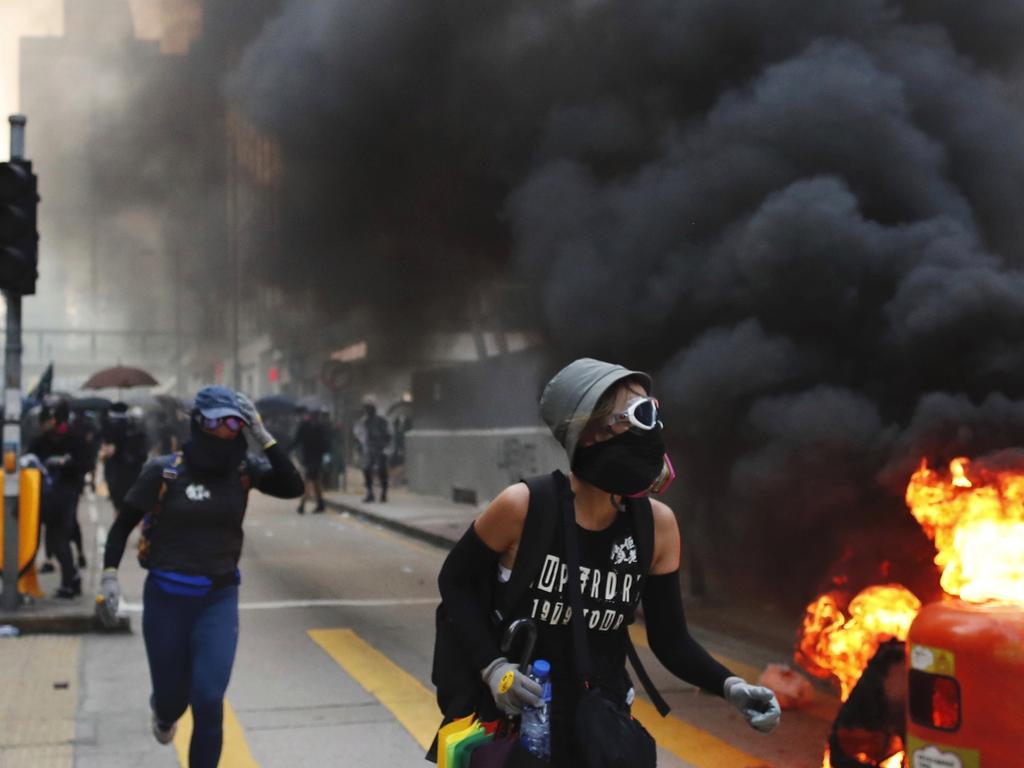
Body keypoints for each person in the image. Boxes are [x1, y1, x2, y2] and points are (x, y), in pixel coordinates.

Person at [434, 359, 781, 765]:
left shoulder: (657, 526)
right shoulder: (524, 507)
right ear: (591, 433)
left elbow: (670, 640)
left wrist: (731, 686)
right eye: (640, 415)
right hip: (520, 728)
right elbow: (455, 582)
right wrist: (493, 670)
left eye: (654, 412)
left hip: (601, 727)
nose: (653, 429)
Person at [95, 386, 303, 768]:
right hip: (166, 600)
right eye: (217, 421)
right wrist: (109, 576)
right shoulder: (164, 471)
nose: (226, 430)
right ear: (197, 423)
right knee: (173, 702)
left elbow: (293, 487)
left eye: (234, 422)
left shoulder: (245, 471)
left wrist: (263, 434)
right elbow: (121, 527)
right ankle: (163, 710)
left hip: (217, 601)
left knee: (208, 700)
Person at [28, 399, 90, 597]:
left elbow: (84, 464)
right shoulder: (44, 440)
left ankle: (69, 581)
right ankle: (72, 578)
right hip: (53, 496)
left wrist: (63, 464)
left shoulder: (68, 438)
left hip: (60, 495)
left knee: (58, 539)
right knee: (56, 539)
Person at [100, 402, 149, 516]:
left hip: (117, 470)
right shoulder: (135, 425)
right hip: (134, 470)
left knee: (118, 504)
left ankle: (120, 528)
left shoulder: (110, 427)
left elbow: (108, 451)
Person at [291, 406, 332, 514]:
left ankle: (302, 505)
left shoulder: (320, 427)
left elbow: (326, 443)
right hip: (310, 458)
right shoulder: (306, 426)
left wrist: (326, 456)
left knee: (309, 480)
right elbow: (297, 440)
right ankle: (320, 504)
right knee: (315, 481)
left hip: (315, 458)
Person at [353, 401, 392, 502]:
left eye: (368, 410)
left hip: (380, 449)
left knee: (381, 471)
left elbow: (388, 434)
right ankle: (371, 493)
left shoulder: (381, 420)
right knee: (367, 470)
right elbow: (360, 434)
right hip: (370, 449)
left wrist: (385, 447)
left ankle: (383, 493)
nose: (367, 412)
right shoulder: (365, 421)